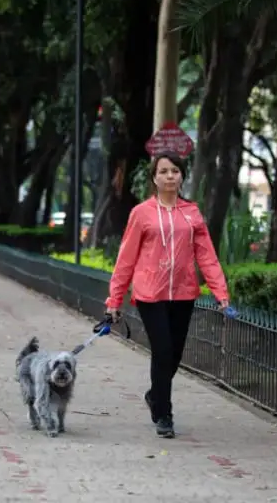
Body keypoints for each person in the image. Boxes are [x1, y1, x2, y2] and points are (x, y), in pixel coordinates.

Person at [105, 152, 230, 439]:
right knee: (162, 352)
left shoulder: (192, 213)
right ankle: (164, 413)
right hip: (151, 293)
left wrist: (220, 292)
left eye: (175, 170)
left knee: (173, 356)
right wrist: (114, 300)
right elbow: (126, 259)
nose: (170, 175)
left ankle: (154, 395)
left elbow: (207, 256)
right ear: (154, 178)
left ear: (182, 176)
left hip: (184, 293)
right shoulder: (141, 213)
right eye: (164, 171)